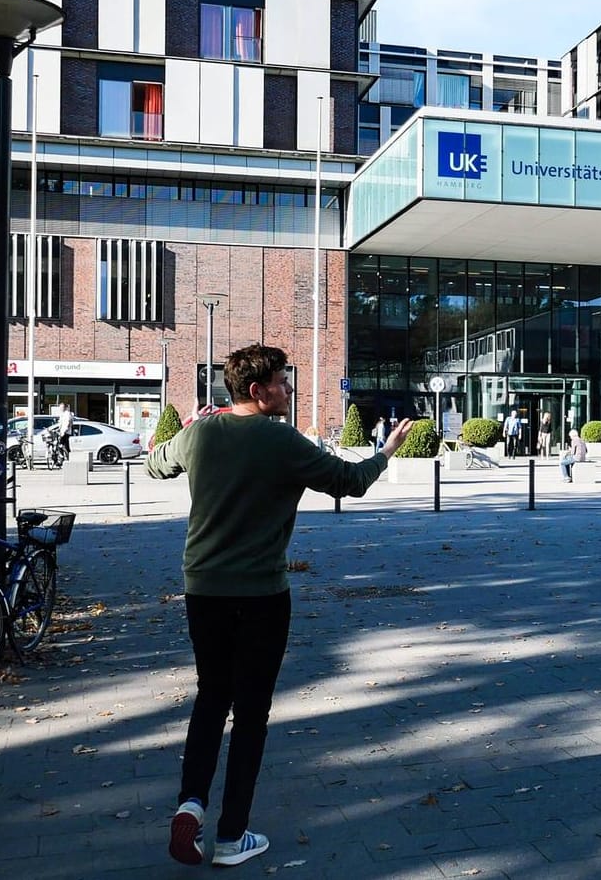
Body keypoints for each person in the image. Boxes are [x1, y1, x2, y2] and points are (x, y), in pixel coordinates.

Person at [146, 343, 412, 869]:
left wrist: (188, 429)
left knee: (210, 697)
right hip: (262, 595)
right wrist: (385, 452)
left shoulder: (200, 432)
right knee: (250, 714)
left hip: (203, 589)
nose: (290, 390)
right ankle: (231, 836)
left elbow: (156, 466)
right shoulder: (280, 440)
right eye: (283, 382)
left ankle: (190, 805)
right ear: (257, 390)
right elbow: (348, 483)